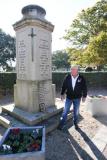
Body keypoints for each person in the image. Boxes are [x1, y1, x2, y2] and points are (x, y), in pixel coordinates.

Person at [58, 65, 87, 130]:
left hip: (77, 98)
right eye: (71, 69)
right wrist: (62, 94)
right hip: (69, 97)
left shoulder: (81, 78)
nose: (72, 70)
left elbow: (84, 87)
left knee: (76, 112)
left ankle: (75, 123)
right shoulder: (67, 77)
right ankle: (62, 124)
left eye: (74, 69)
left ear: (77, 70)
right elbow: (64, 86)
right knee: (65, 111)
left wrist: (84, 96)